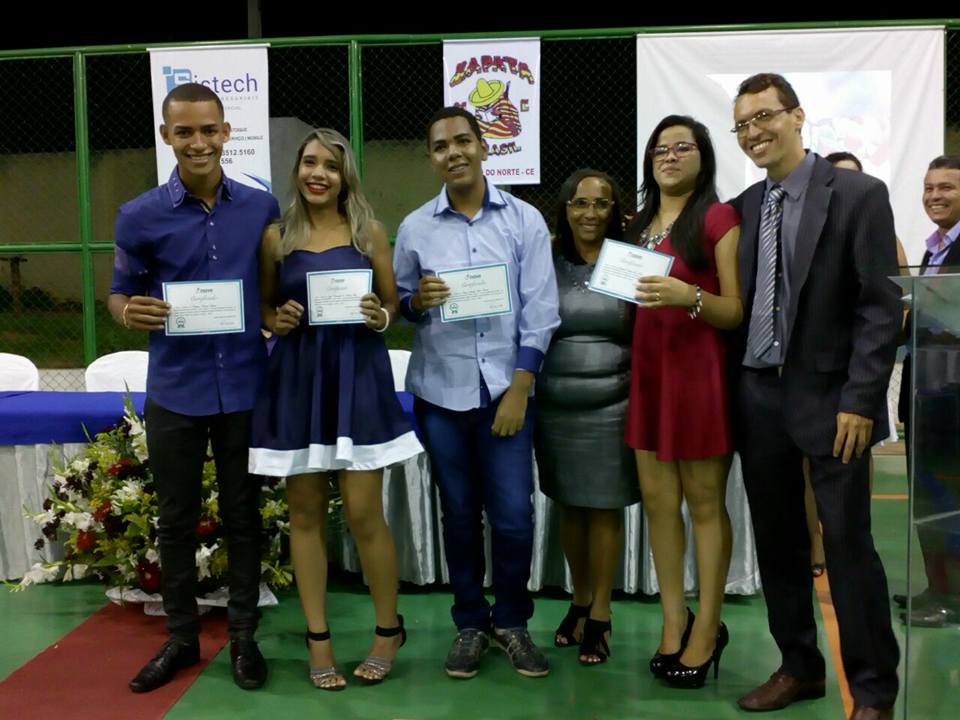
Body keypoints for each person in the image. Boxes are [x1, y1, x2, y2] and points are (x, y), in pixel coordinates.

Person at [729, 73, 900, 720]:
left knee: (848, 545)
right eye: (742, 124)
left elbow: (879, 307)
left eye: (764, 116)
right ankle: (799, 667)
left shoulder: (857, 195)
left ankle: (874, 691)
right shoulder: (747, 205)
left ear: (797, 116)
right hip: (759, 397)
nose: (754, 132)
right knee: (777, 544)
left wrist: (861, 400)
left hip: (834, 404)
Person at [109, 82, 280, 693]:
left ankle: (243, 638)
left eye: (209, 130)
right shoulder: (139, 214)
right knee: (175, 520)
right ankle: (181, 639)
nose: (199, 142)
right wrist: (129, 312)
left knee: (243, 517)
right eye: (185, 131)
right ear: (167, 136)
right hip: (176, 388)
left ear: (226, 132)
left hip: (245, 386)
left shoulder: (260, 207)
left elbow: (273, 289)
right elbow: (119, 293)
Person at [248, 128, 422, 688]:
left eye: (329, 165)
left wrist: (380, 315)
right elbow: (266, 308)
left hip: (357, 376)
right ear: (297, 170)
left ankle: (388, 629)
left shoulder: (369, 232)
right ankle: (317, 638)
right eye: (309, 163)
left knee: (364, 513)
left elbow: (391, 304)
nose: (317, 173)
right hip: (298, 381)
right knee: (304, 515)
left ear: (345, 175)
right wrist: (277, 321)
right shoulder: (275, 237)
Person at [393, 107, 560, 679]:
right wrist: (417, 302)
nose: (454, 152)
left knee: (513, 517)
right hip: (441, 395)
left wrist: (519, 389)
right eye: (441, 146)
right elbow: (401, 305)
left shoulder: (523, 219)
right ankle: (469, 623)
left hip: (505, 394)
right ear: (432, 158)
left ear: (484, 146)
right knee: (459, 516)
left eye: (463, 141)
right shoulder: (415, 227)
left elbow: (541, 311)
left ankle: (511, 622)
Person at [625, 115, 743, 689]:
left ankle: (709, 627)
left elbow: (734, 310)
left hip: (698, 380)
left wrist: (688, 294)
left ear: (703, 157)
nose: (669, 157)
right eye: (660, 150)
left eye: (682, 148)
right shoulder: (636, 226)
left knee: (704, 506)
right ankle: (675, 621)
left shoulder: (719, 219)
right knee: (657, 505)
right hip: (648, 378)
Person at [534, 168, 640, 665]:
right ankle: (579, 599)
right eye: (580, 203)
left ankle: (601, 612)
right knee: (569, 507)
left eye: (601, 203)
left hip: (613, 406)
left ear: (615, 211)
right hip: (556, 407)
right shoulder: (546, 259)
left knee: (603, 508)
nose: (590, 213)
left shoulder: (629, 261)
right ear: (565, 208)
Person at [895, 153, 960, 628]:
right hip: (926, 393)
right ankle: (937, 587)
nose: (934, 196)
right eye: (929, 187)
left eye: (947, 188)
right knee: (928, 499)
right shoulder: (934, 249)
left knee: (950, 502)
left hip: (952, 395)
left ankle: (952, 597)